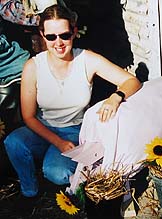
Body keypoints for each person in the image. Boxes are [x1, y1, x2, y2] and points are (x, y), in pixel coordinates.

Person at [3, 4, 141, 212]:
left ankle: (76, 188)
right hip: (42, 129)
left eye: (64, 35)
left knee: (56, 173)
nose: (58, 43)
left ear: (74, 32)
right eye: (51, 37)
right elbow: (28, 116)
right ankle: (29, 191)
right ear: (42, 35)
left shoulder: (86, 59)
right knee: (13, 142)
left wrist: (116, 96)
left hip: (75, 129)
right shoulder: (33, 66)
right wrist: (58, 142)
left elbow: (132, 81)